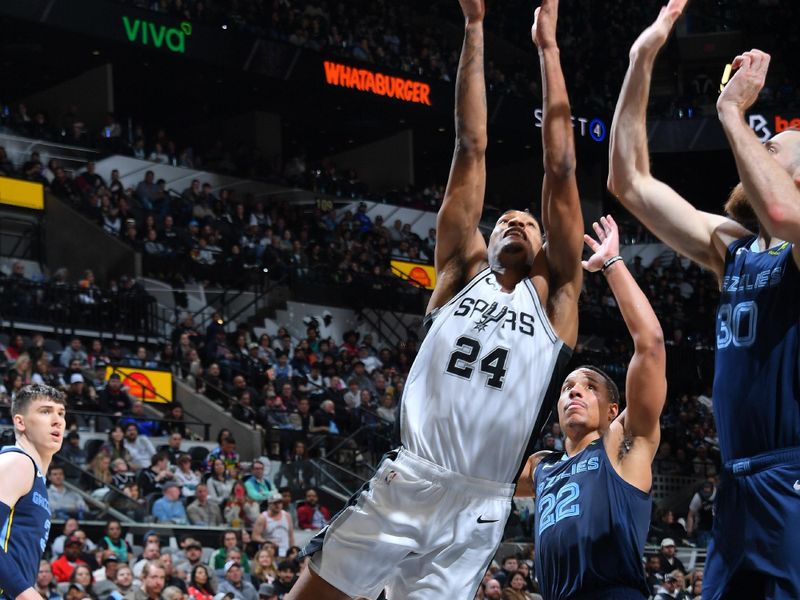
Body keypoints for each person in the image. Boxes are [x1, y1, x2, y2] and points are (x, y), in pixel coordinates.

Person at [291, 2, 584, 595]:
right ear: (487, 235)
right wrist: (474, 26)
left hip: (482, 504)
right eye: (506, 219)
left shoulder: (556, 300)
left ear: (545, 244)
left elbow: (560, 166)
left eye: (530, 222)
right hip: (409, 476)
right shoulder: (458, 271)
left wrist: (549, 50)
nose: (518, 223)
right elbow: (470, 146)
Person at [609, 1, 800, 597]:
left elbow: (779, 210)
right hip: (739, 485)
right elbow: (629, 183)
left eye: (774, 151)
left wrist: (731, 112)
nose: (758, 151)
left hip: (791, 476)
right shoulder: (734, 248)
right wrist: (642, 60)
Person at [516, 216, 666, 600]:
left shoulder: (622, 444)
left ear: (613, 409)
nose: (575, 392)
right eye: (567, 388)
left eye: (589, 386)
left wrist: (612, 264)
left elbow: (649, 344)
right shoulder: (541, 466)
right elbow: (477, 478)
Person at [0, 384, 66, 600]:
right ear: (20, 422)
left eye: (61, 413)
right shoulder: (17, 462)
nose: (57, 420)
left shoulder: (35, 476)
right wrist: (27, 596)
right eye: (45, 411)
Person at [252, 493, 295, 557]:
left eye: (280, 502)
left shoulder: (287, 515)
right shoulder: (263, 518)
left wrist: (292, 549)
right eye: (275, 503)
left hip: (286, 552)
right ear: (269, 504)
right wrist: (268, 542)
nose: (278, 505)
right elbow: (255, 536)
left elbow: (291, 535)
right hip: (270, 553)